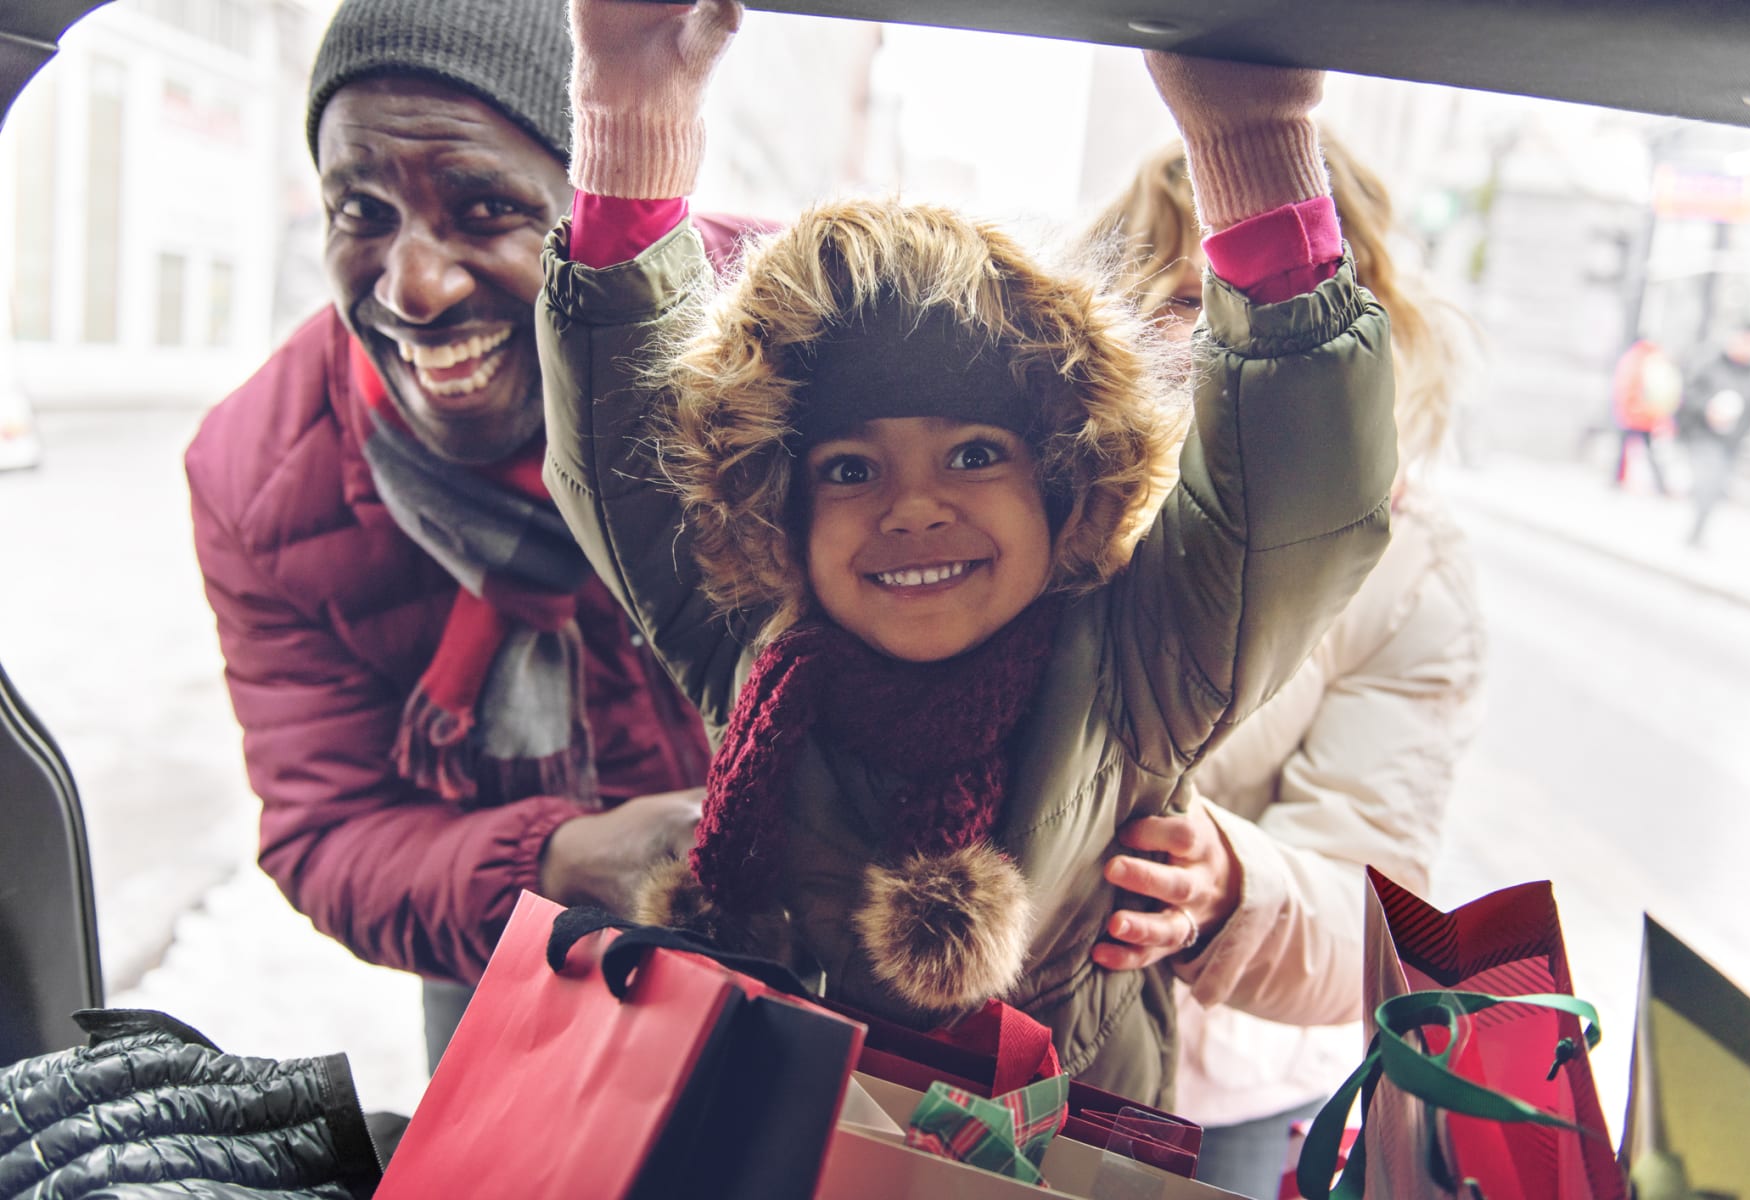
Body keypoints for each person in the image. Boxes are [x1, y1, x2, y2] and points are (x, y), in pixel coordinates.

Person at [538, 0, 1397, 1108]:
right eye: (849, 468)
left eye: (976, 454)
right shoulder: (753, 644)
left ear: (1060, 487)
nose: (913, 508)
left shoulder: (1144, 661)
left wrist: (1254, 141)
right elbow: (626, 463)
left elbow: (1295, 500)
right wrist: (630, 115)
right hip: (796, 1146)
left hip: (1077, 1161)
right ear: (781, 514)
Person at [185, 0, 761, 1071]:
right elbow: (332, 826)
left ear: (586, 199)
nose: (414, 287)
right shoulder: (259, 477)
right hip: (514, 945)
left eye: (487, 207)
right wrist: (558, 860)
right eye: (361, 211)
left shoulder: (775, 328)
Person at [1087, 136, 1487, 1198]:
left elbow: (1374, 902)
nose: (1231, 348)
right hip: (1005, 1030)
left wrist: (1229, 888)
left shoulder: (1411, 573)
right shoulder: (1055, 496)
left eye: (1265, 307)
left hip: (1228, 1084)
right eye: (1188, 299)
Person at [1675, 321, 1750, 547]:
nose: (1747, 346)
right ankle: (1696, 533)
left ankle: (1698, 529)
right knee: (1708, 481)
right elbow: (1689, 394)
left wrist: (1741, 434)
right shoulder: (1711, 364)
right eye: (1744, 339)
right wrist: (1708, 409)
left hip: (1731, 441)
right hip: (1703, 435)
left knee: (1716, 486)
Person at [1609, 338, 1679, 494]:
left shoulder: (1633, 358)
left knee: (1626, 450)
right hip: (1648, 414)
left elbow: (1625, 387)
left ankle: (1617, 480)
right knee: (1650, 451)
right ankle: (1660, 485)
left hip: (1633, 413)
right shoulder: (1654, 360)